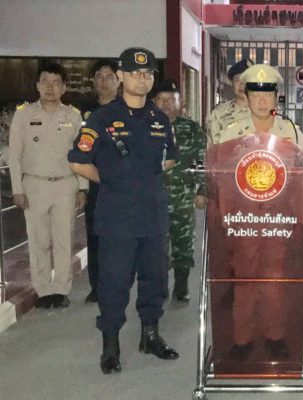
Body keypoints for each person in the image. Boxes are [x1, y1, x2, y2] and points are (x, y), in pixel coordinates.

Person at [68, 47, 179, 375]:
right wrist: (111, 179)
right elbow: (78, 161)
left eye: (148, 74)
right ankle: (111, 345)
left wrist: (143, 178)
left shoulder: (159, 118)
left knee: (155, 279)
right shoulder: (101, 119)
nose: (142, 79)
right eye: (134, 73)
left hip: (153, 215)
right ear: (120, 77)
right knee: (114, 282)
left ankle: (150, 336)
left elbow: (170, 159)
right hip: (117, 217)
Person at [210, 64, 303, 361]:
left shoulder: (289, 129)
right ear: (247, 95)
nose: (263, 100)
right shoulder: (231, 131)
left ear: (277, 97)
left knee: (274, 277)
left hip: (278, 215)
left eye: (268, 94)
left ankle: (274, 335)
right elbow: (216, 171)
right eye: (256, 93)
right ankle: (242, 338)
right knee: (245, 277)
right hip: (245, 217)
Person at [9, 63, 87, 309]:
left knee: (64, 240)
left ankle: (61, 290)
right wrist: (17, 189)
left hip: (65, 185)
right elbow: (14, 155)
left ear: (64, 87)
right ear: (37, 85)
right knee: (38, 241)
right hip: (35, 185)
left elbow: (81, 154)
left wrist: (82, 187)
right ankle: (42, 290)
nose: (50, 87)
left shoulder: (73, 116)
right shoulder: (24, 115)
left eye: (56, 83)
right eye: (45, 82)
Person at [152, 79, 206, 302]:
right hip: (152, 198)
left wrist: (202, 190)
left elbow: (202, 160)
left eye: (171, 99)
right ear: (154, 102)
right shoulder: (145, 126)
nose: (166, 104)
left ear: (180, 102)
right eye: (161, 100)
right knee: (156, 246)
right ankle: (159, 287)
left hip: (183, 196)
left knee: (183, 243)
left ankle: (181, 286)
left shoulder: (191, 128)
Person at [81, 59, 120, 303]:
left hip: (121, 184)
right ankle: (96, 286)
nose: (103, 82)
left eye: (109, 77)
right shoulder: (84, 111)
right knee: (95, 235)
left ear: (118, 81)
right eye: (99, 77)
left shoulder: (128, 109)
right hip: (95, 183)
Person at [206, 58, 254, 143]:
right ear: (232, 83)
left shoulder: (263, 112)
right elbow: (211, 145)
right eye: (237, 80)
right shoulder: (218, 113)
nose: (242, 85)